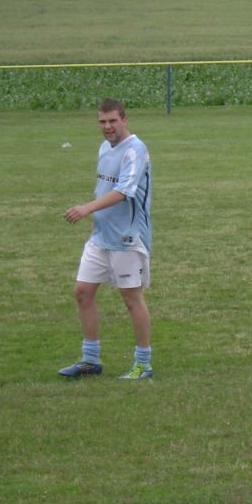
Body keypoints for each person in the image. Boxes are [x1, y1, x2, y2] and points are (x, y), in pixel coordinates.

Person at [59, 99, 154, 380]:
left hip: (127, 237)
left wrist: (87, 208)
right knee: (82, 292)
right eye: (102, 121)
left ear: (124, 120)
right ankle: (90, 360)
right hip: (100, 236)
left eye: (113, 121)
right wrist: (96, 220)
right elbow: (103, 187)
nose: (108, 126)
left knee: (131, 298)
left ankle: (143, 364)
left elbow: (123, 191)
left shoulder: (135, 150)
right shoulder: (104, 147)